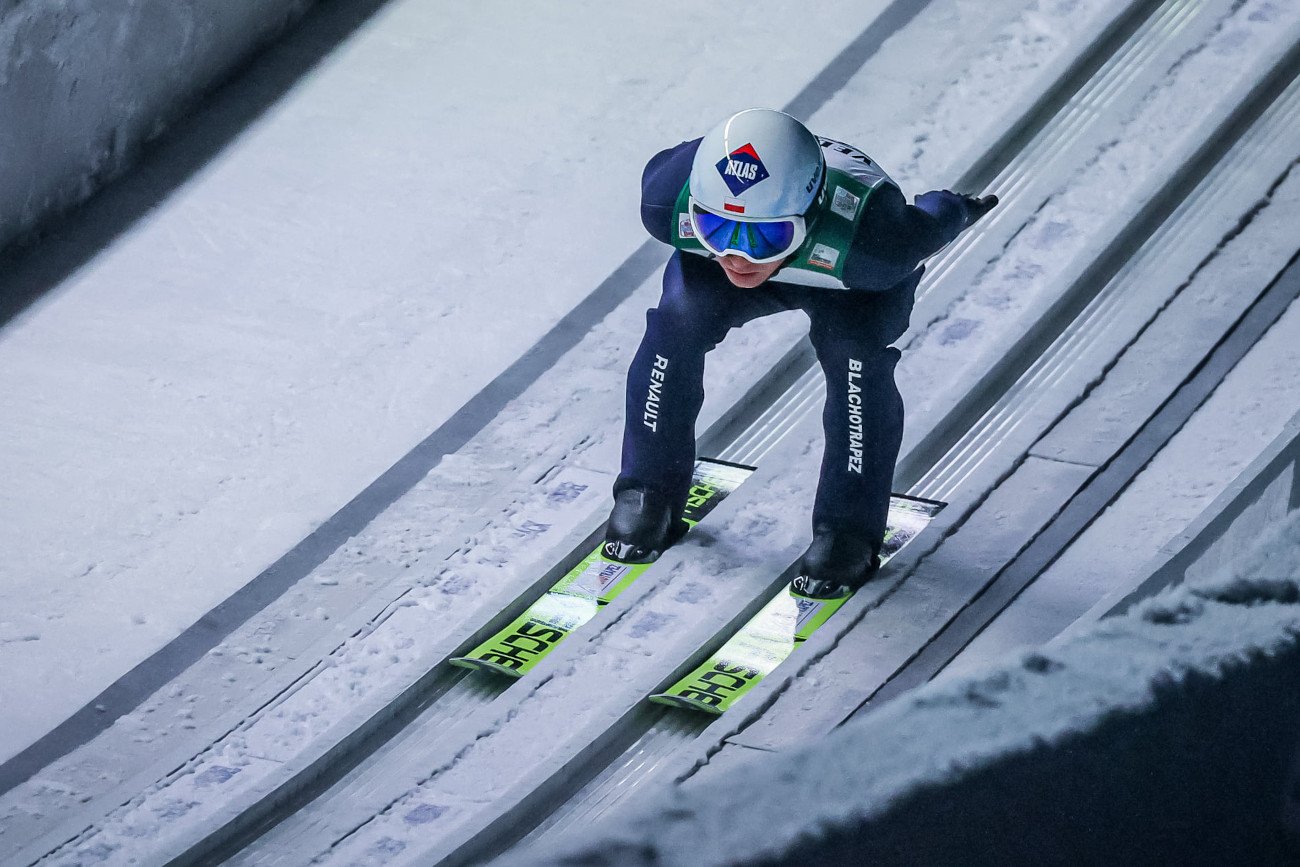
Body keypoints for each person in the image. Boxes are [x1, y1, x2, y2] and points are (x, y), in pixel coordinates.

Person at [603, 108, 996, 597]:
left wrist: (955, 208)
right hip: (818, 253)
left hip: (849, 277)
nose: (738, 257)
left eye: (765, 237)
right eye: (716, 229)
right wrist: (756, 238)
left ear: (810, 217)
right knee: (675, 328)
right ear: (693, 209)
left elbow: (929, 223)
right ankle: (646, 492)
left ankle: (848, 530)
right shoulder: (667, 199)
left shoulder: (879, 247)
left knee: (855, 361)